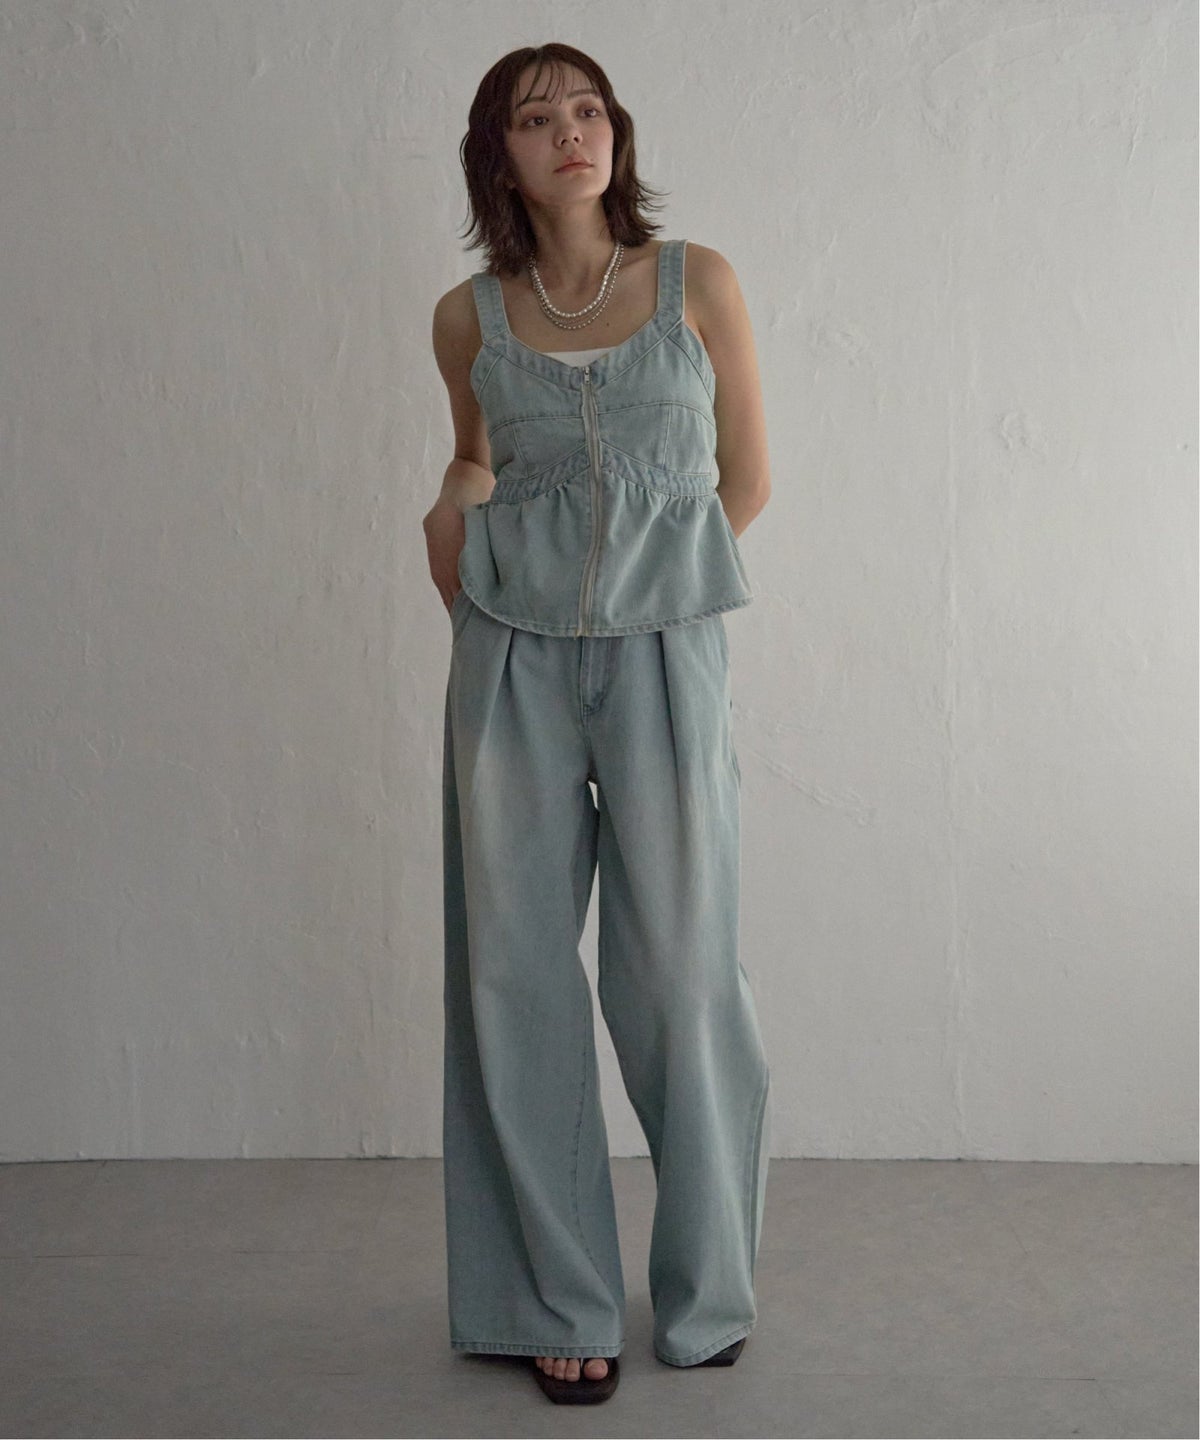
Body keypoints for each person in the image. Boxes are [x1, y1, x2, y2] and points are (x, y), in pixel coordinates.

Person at [423, 43, 773, 1407]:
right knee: (512, 976)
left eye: (586, 109)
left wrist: (648, 589)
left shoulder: (699, 284)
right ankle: (553, 1297)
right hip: (506, 657)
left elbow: (746, 480)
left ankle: (708, 1286)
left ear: (615, 133)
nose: (569, 130)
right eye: (535, 117)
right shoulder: (469, 317)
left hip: (666, 657)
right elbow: (475, 458)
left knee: (684, 973)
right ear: (498, 157)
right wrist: (449, 507)